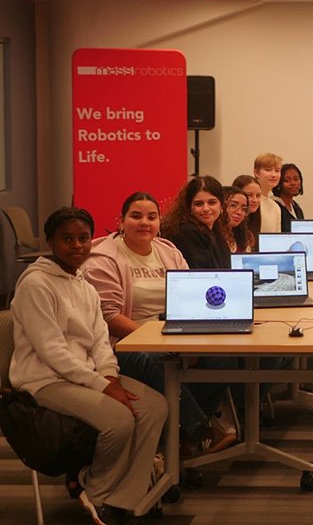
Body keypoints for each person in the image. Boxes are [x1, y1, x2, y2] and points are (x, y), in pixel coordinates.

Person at [9, 207, 167, 524]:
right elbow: (52, 351)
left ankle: (125, 496)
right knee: (119, 421)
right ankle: (97, 492)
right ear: (50, 240)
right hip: (45, 380)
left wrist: (109, 375)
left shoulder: (84, 284)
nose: (77, 245)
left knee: (155, 406)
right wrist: (104, 386)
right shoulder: (36, 285)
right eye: (67, 239)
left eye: (83, 238)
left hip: (86, 376)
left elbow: (99, 341)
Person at [80, 192, 237, 457]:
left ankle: (185, 431)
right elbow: (109, 316)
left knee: (226, 355)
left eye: (151, 217)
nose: (145, 223)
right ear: (121, 221)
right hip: (126, 343)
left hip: (173, 333)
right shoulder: (103, 257)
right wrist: (157, 337)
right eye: (136, 216)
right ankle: (199, 430)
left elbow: (192, 292)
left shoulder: (168, 251)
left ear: (159, 222)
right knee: (153, 359)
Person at [161, 176, 232, 269]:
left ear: (221, 205)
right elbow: (202, 274)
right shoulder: (186, 232)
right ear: (189, 207)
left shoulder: (215, 230)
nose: (206, 209)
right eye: (199, 204)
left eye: (212, 202)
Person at [253, 152, 284, 234]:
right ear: (256, 172)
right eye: (268, 170)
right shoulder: (251, 202)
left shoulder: (275, 207)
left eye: (277, 170)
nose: (273, 175)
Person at [233, 174, 263, 245]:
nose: (255, 200)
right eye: (249, 195)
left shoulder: (257, 217)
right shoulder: (232, 221)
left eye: (258, 195)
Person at [275, 163, 305, 232]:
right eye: (286, 180)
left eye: (296, 179)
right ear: (279, 184)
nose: (293, 183)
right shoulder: (275, 207)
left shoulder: (297, 207)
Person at [224, 186, 255, 252]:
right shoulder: (212, 237)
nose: (239, 212)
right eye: (233, 205)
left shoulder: (244, 236)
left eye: (243, 209)